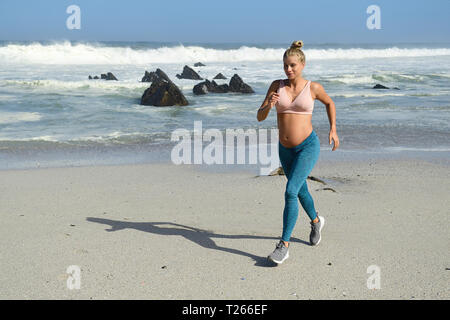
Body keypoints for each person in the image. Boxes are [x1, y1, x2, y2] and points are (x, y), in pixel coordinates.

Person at [257, 40, 340, 264]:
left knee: (290, 190)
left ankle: (283, 245)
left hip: (307, 146)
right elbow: (259, 116)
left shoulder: (312, 87)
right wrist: (269, 106)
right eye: (285, 65)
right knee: (300, 190)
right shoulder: (277, 85)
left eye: (293, 65)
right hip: (285, 150)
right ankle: (315, 222)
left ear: (302, 64)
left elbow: (330, 103)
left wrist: (333, 129)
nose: (288, 69)